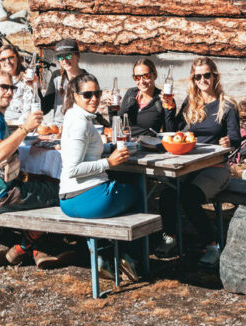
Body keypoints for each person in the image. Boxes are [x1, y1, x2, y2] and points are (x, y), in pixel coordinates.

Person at [180, 57, 241, 267]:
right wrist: (169, 111)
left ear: (215, 76)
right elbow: (174, 131)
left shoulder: (228, 104)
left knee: (188, 198)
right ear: (193, 79)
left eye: (207, 75)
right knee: (168, 194)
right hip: (190, 164)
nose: (203, 80)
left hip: (216, 167)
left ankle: (212, 244)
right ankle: (171, 240)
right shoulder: (190, 103)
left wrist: (228, 141)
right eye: (198, 76)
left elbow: (236, 139)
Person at [0, 72, 57, 214]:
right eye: (4, 87)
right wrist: (25, 128)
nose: (9, 93)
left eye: (11, 88)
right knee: (58, 190)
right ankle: (33, 236)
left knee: (39, 184)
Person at [58, 74, 141, 219]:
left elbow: (87, 148)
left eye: (97, 93)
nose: (94, 99)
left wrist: (110, 148)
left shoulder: (75, 115)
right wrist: (109, 162)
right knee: (139, 193)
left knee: (126, 187)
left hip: (70, 200)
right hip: (88, 198)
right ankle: (138, 241)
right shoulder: (80, 123)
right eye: (87, 95)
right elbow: (73, 169)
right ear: (75, 96)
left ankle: (109, 241)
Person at [118, 56, 183, 136]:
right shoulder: (130, 93)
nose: (141, 81)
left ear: (154, 75)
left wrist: (169, 109)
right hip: (125, 144)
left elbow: (169, 133)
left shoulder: (163, 100)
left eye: (146, 76)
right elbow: (116, 125)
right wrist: (111, 109)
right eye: (137, 77)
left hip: (148, 146)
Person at [0, 45, 44, 126]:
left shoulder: (26, 81)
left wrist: (34, 86)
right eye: (3, 59)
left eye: (11, 57)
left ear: (18, 59)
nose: (7, 62)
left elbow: (28, 113)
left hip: (18, 127)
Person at [40, 38, 84, 121]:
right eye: (60, 57)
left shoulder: (87, 79)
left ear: (77, 56)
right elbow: (45, 108)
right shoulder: (56, 76)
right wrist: (35, 87)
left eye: (68, 55)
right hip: (59, 126)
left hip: (79, 125)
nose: (64, 61)